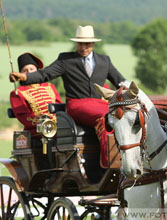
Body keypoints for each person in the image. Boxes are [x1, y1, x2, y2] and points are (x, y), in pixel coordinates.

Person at [9, 25, 128, 168]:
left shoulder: (104, 61)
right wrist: (24, 76)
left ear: (93, 43)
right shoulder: (66, 60)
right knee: (106, 116)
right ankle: (109, 162)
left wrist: (134, 92)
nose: (83, 47)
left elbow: (120, 81)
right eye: (80, 43)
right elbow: (44, 74)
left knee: (124, 114)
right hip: (77, 105)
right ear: (76, 43)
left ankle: (131, 157)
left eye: (87, 43)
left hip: (99, 103)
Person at [10, 53, 62, 138]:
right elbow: (24, 117)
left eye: (32, 69)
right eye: (25, 70)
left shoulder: (50, 87)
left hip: (56, 128)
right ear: (21, 74)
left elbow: (59, 107)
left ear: (37, 71)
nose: (29, 72)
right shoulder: (17, 92)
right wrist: (44, 123)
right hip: (35, 132)